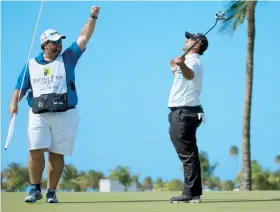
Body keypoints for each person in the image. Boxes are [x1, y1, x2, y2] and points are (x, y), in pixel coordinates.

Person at [8, 6, 100, 203]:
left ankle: (51, 192)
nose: (58, 45)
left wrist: (93, 16)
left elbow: (84, 38)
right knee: (35, 149)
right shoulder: (30, 64)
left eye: (60, 42)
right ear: (44, 44)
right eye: (54, 42)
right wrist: (13, 103)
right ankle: (34, 189)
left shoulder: (68, 58)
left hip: (65, 114)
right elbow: (19, 88)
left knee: (57, 155)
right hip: (38, 113)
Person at [167, 31, 208, 203]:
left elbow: (189, 75)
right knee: (189, 153)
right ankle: (194, 193)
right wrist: (175, 70)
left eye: (190, 39)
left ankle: (190, 194)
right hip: (187, 111)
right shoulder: (190, 62)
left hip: (184, 113)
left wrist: (182, 66)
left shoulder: (193, 62)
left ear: (196, 45)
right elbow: (184, 82)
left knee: (187, 154)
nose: (186, 40)